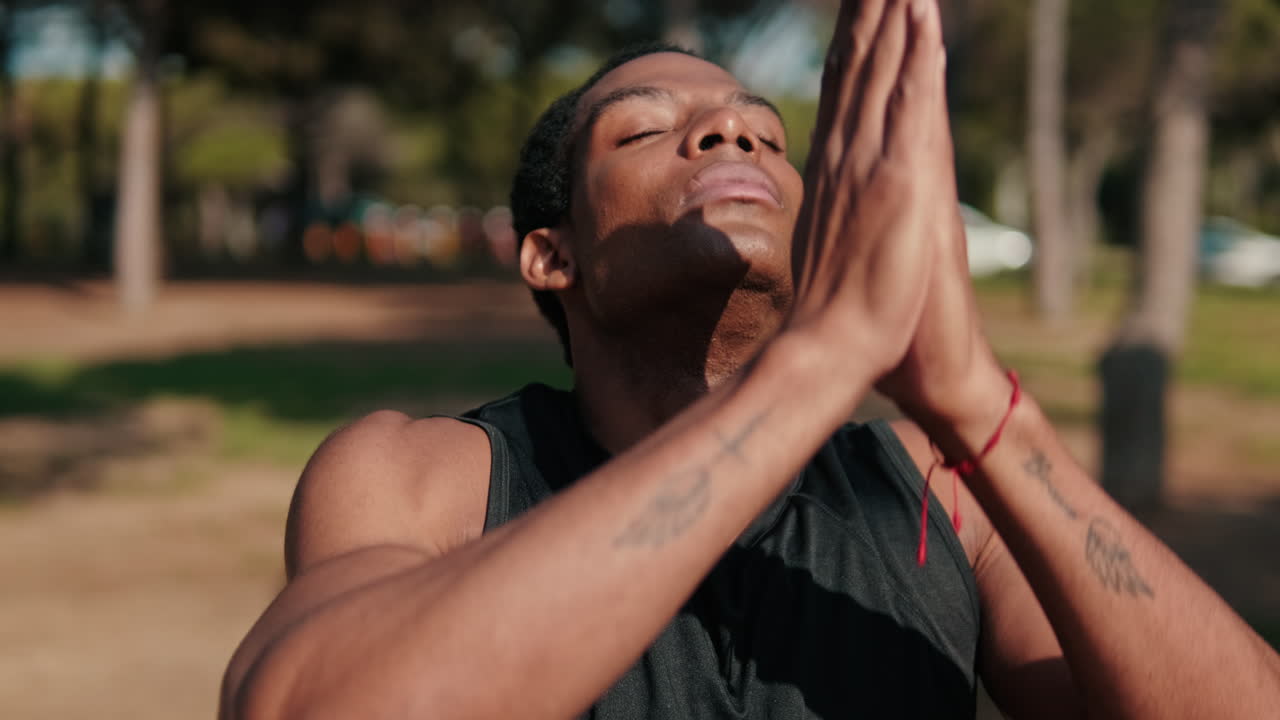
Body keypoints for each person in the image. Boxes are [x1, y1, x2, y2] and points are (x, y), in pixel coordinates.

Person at [220, 1, 1280, 718]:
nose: (730, 136)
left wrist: (977, 406)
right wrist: (817, 362)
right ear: (551, 256)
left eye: (764, 137)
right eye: (644, 132)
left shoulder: (929, 496)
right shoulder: (426, 477)